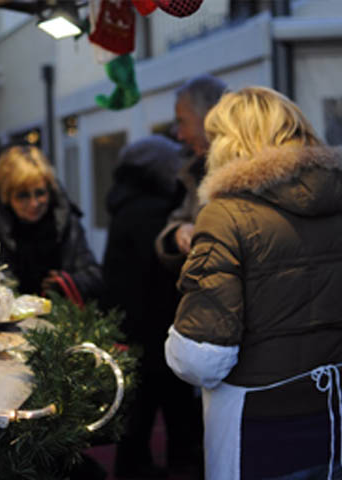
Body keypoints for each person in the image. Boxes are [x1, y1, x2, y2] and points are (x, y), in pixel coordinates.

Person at [165, 86, 342, 479]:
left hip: (258, 428)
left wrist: (172, 346)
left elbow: (202, 357)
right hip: (334, 415)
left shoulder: (225, 215)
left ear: (232, 141)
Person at [102, 134, 202, 478]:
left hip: (133, 332)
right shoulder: (151, 211)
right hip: (157, 333)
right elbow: (162, 276)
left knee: (135, 427)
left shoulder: (126, 205)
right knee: (178, 427)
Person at [0, 144, 103, 302]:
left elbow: (94, 275)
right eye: (22, 196)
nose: (34, 203)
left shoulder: (67, 223)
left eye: (40, 193)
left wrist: (67, 283)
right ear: (6, 197)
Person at [155, 74, 228, 273]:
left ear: (209, 117)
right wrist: (177, 234)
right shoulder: (195, 172)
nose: (178, 134)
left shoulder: (247, 174)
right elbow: (177, 221)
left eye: (182, 122)